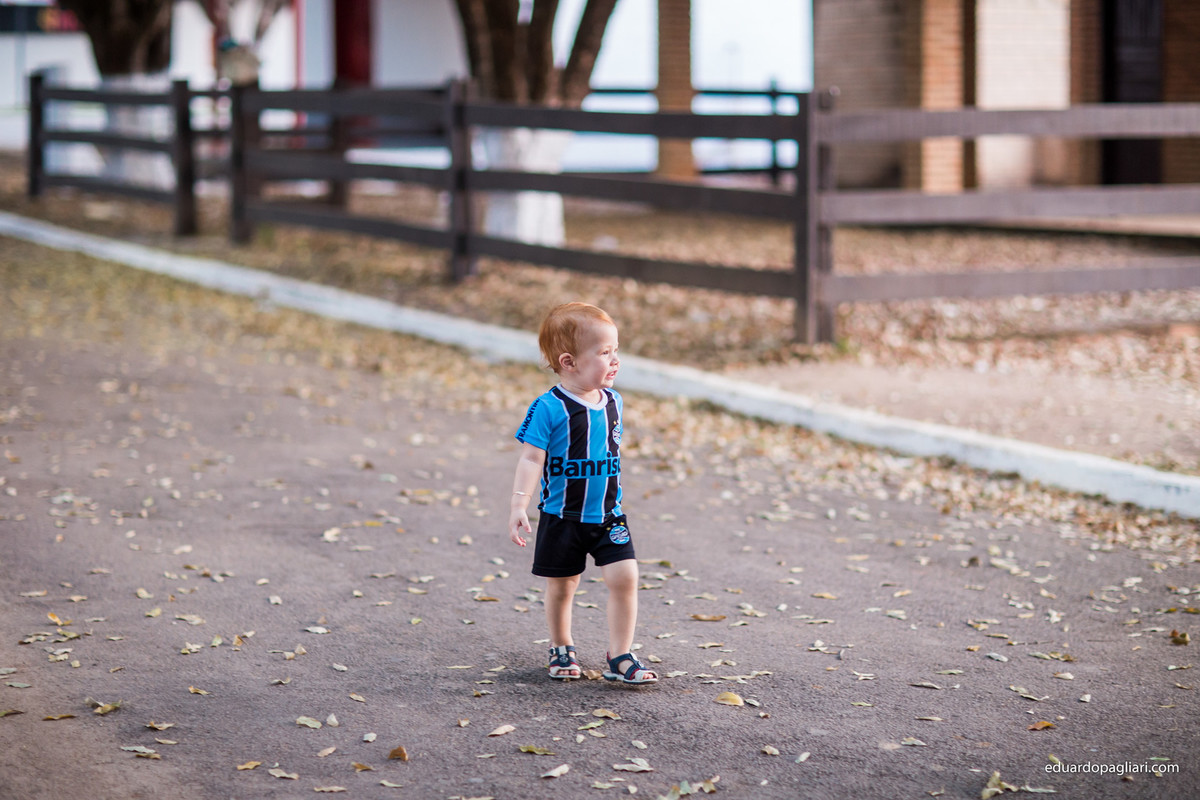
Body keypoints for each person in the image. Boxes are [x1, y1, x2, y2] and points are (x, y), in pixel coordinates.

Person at [508, 302, 658, 685]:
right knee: (563, 585)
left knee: (626, 577)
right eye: (605, 353)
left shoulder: (613, 402)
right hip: (563, 517)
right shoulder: (548, 407)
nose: (615, 360)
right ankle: (562, 646)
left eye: (616, 351)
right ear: (569, 362)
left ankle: (620, 654)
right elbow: (530, 459)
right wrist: (519, 504)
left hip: (609, 516)